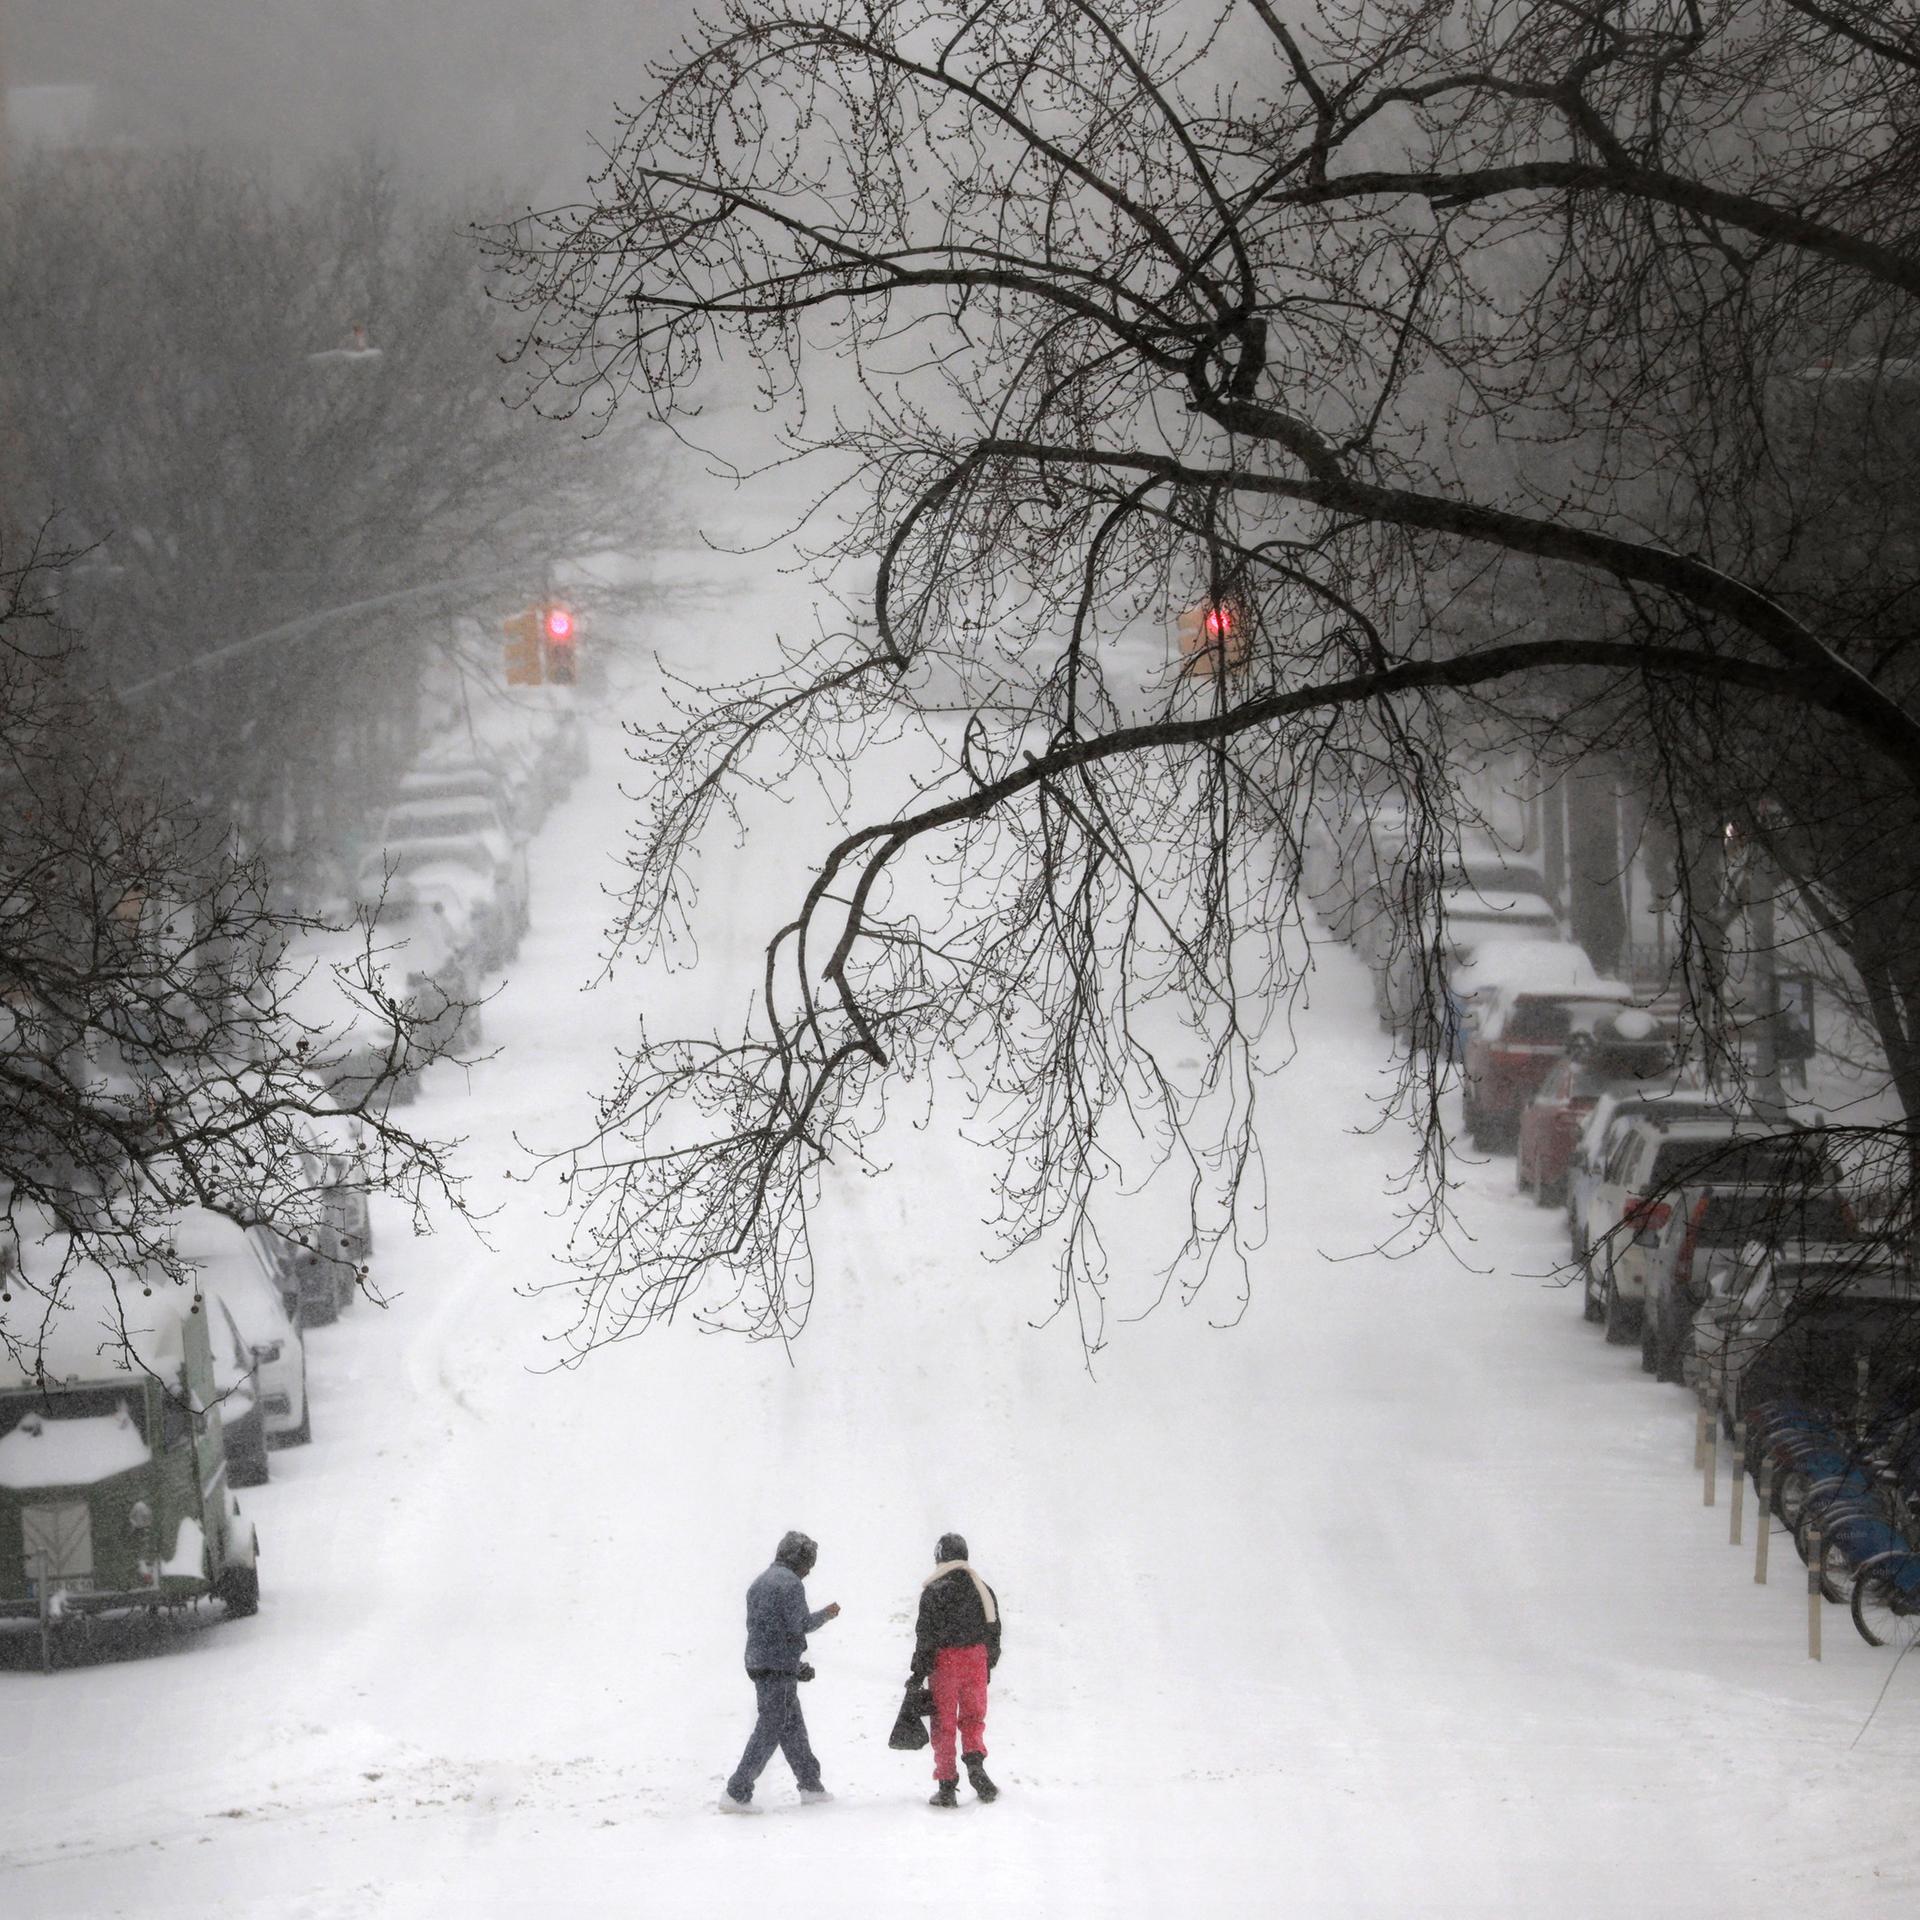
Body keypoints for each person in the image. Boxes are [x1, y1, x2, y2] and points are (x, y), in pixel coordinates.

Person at [719, 1530, 842, 1813]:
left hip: (760, 1663)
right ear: (798, 1559)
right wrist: (828, 1614)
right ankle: (737, 1792)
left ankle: (811, 1785)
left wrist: (795, 1667)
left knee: (792, 1728)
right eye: (808, 1564)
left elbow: (768, 1631)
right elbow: (799, 1625)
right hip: (777, 1668)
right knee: (771, 1728)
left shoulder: (759, 1583)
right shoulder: (790, 1584)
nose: (808, 1571)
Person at [910, 1532, 1001, 1808]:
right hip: (976, 1658)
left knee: (944, 1722)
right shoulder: (982, 1588)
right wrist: (987, 1661)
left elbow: (925, 1635)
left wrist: (918, 1671)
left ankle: (947, 1785)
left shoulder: (935, 1590)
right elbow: (994, 1629)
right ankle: (976, 1766)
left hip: (945, 1662)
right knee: (973, 1717)